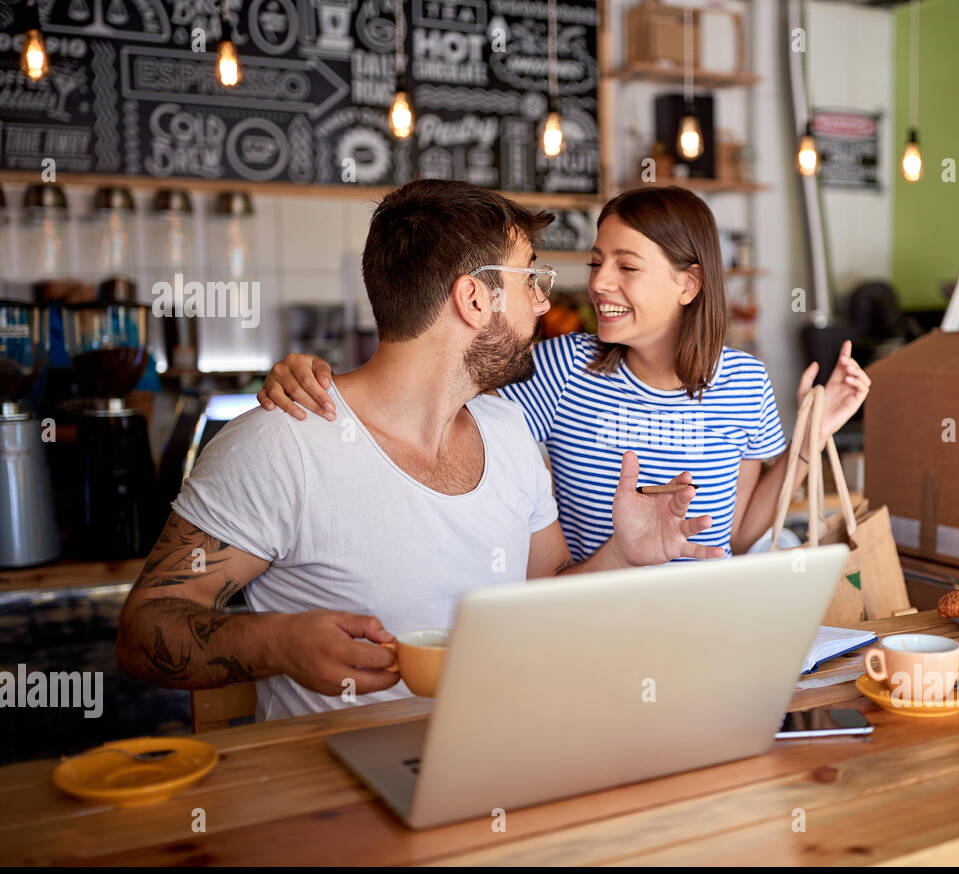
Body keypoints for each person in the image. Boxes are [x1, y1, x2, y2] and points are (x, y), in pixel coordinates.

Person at [116, 179, 720, 721]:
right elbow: (144, 631)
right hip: (340, 805)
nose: (544, 301)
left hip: (502, 765)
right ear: (474, 299)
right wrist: (275, 644)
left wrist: (624, 555)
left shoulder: (509, 433)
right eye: (530, 277)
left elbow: (546, 596)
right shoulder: (281, 442)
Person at [258, 185, 870, 562]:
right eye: (597, 262)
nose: (599, 283)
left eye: (627, 267)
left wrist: (812, 437)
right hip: (589, 621)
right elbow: (430, 391)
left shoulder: (743, 382)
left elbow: (736, 538)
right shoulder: (558, 369)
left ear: (689, 283)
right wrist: (317, 376)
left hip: (705, 622)